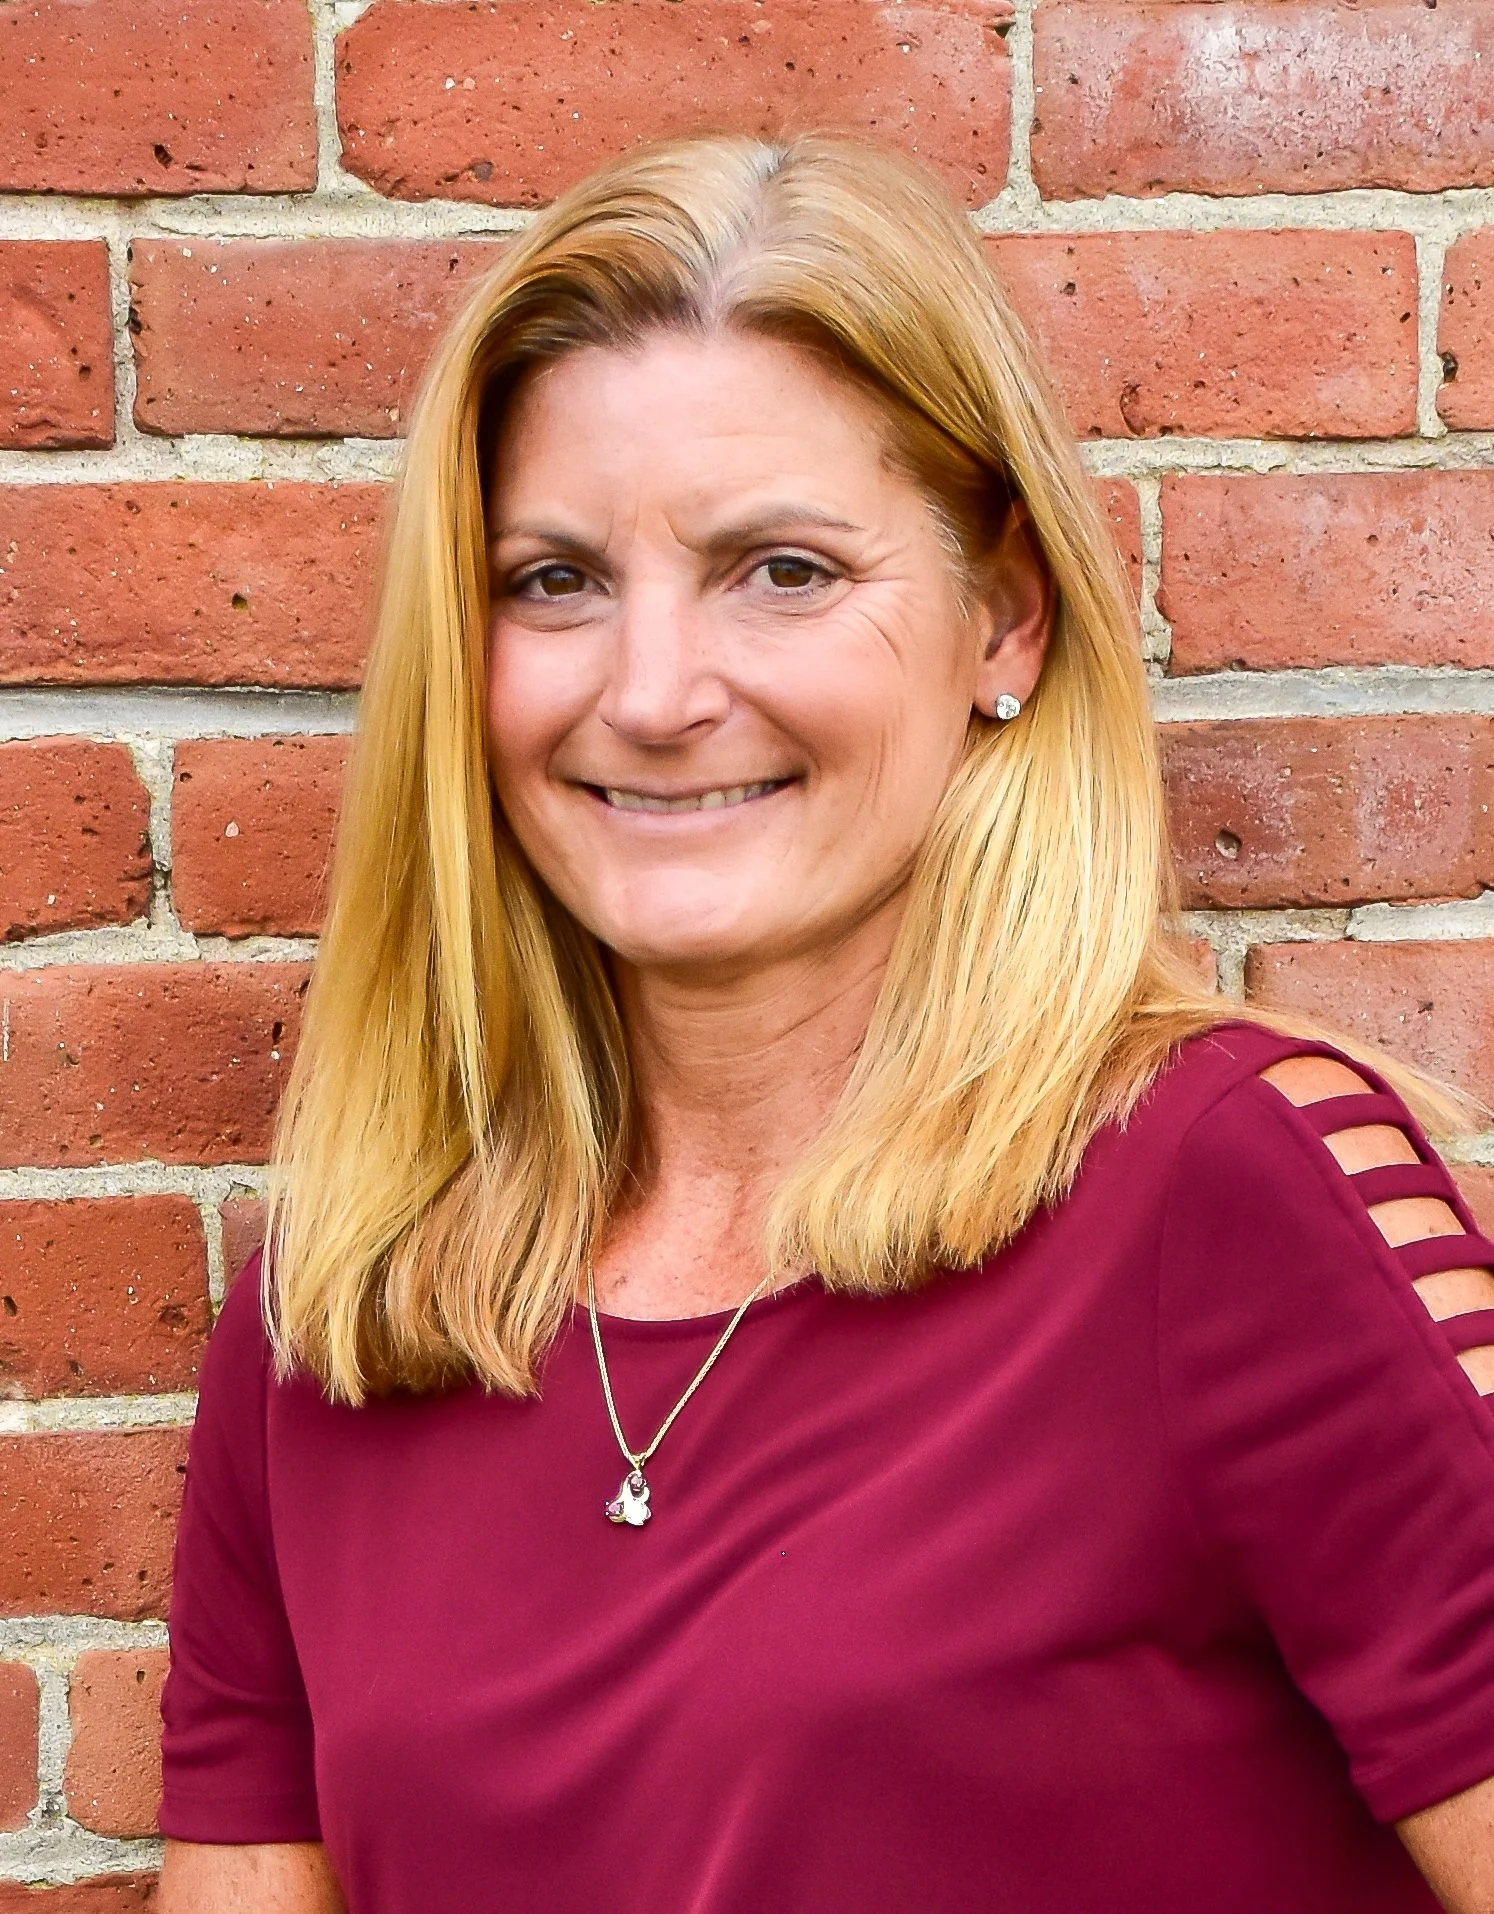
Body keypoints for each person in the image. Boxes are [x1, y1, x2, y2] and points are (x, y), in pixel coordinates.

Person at [155, 134, 1494, 1914]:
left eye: (779, 568)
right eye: (552, 580)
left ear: (1002, 617)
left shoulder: (1229, 1186)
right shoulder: (343, 1290)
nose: (650, 691)